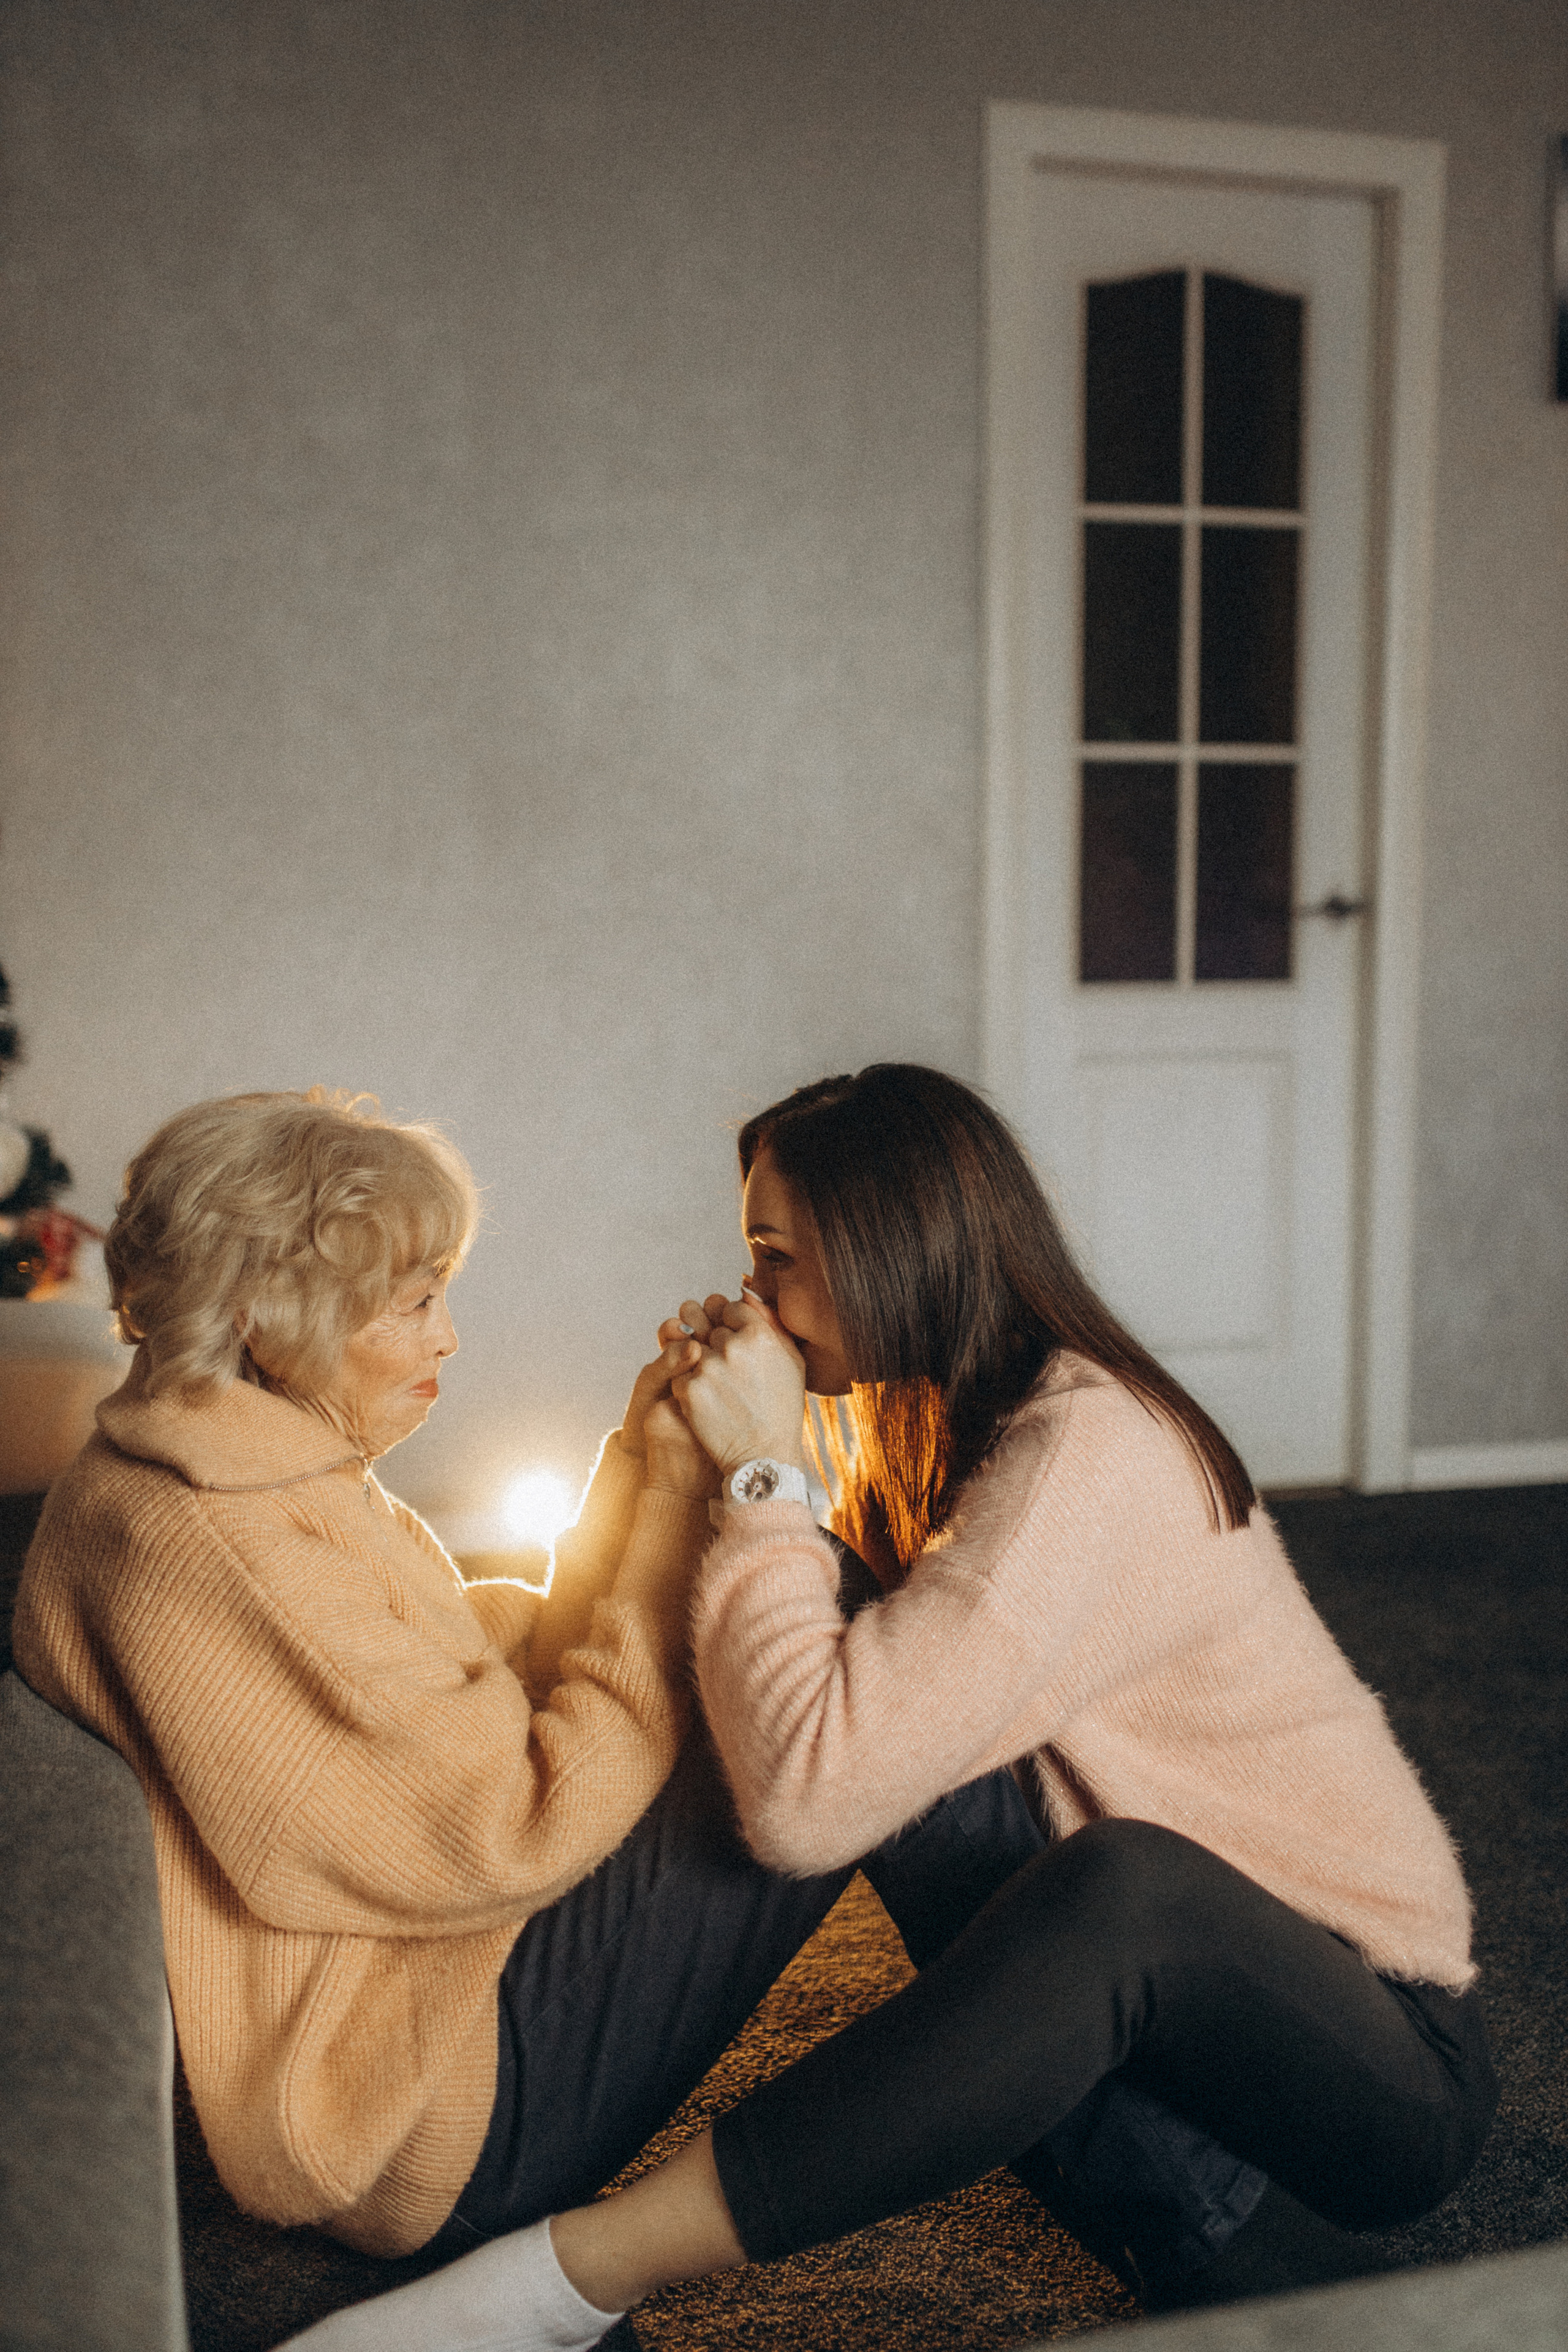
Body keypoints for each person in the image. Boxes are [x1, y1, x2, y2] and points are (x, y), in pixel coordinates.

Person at [274, 1063, 1494, 2351]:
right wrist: (660, 1458)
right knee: (834, 1661)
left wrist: (761, 1476)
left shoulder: (1096, 1450)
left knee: (1108, 1878)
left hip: (1371, 2050)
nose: (756, 1296)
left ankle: (568, 2278)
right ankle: (1253, 2271)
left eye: (776, 1257)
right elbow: (788, 1723)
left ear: (889, 1246)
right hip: (1170, 2011)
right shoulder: (921, 1426)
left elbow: (806, 1806)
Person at [17, 1084, 1156, 2347]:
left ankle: (1118, 2020)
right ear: (267, 1316)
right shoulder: (211, 1537)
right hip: (428, 2107)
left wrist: (653, 1458)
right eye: (414, 1303)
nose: (448, 1337)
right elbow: (506, 1820)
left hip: (434, 1984)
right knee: (834, 1649)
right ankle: (1158, 2115)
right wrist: (711, 1500)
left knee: (817, 1672)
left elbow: (460, 1682)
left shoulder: (230, 1465)